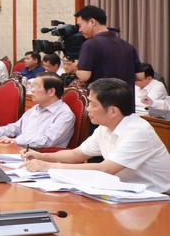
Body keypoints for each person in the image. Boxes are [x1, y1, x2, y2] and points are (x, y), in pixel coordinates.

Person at [23, 78, 170, 193]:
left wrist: (48, 166)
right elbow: (76, 154)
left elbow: (105, 169)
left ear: (113, 111)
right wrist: (41, 156)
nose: (87, 109)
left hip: (157, 196)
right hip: (125, 191)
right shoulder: (105, 127)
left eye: (92, 104)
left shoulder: (138, 131)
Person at [0, 74, 75, 148]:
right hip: (20, 149)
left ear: (51, 92)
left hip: (41, 157)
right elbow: (14, 128)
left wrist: (16, 141)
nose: (31, 90)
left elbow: (47, 141)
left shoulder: (64, 114)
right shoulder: (36, 108)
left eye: (36, 87)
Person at [74, 5, 143, 87]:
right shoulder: (127, 45)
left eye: (80, 25)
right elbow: (140, 76)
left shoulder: (90, 44)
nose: (80, 30)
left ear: (92, 22)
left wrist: (76, 67)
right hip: (126, 94)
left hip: (101, 94)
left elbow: (84, 76)